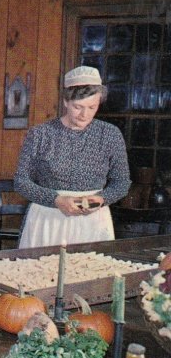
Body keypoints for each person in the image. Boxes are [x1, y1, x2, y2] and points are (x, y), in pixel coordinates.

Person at [14, 65, 131, 249]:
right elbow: (21, 181)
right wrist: (56, 200)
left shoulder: (110, 134)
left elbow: (122, 182)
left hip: (93, 221)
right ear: (66, 102)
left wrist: (102, 198)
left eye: (92, 107)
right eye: (78, 107)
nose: (85, 114)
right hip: (48, 218)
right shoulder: (41, 134)